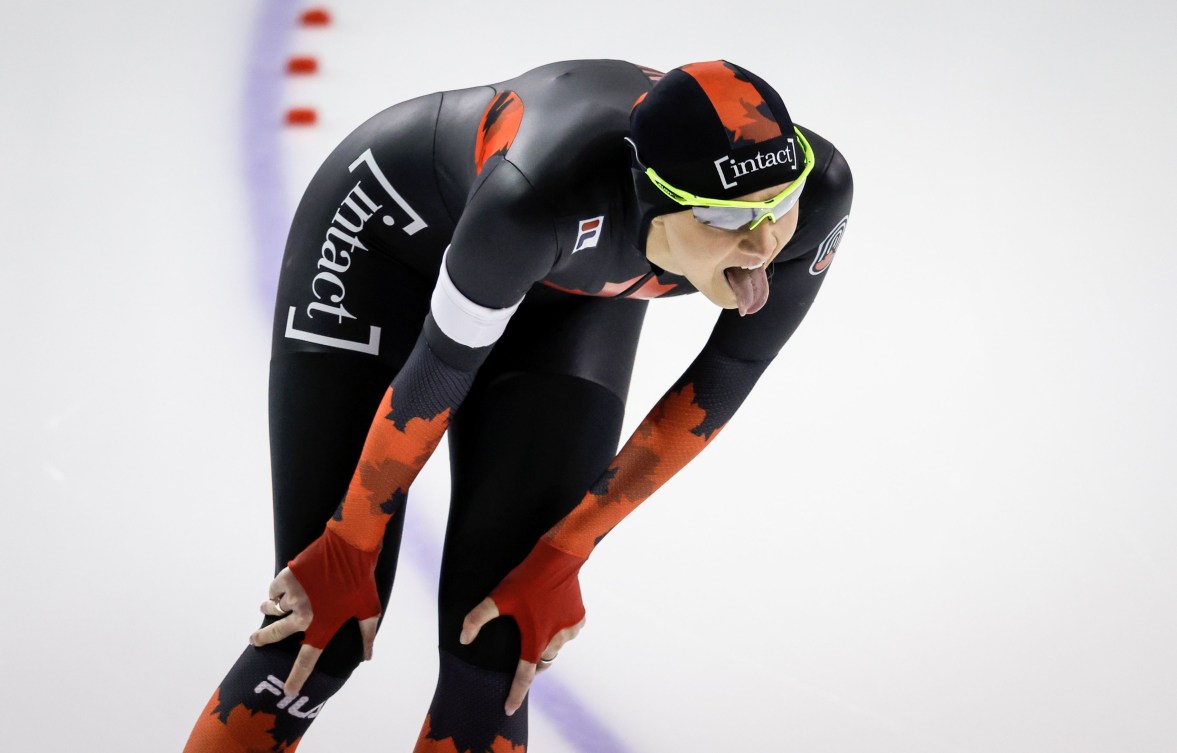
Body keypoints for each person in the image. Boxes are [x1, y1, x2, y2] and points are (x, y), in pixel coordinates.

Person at [182, 58, 853, 752]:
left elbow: (729, 371)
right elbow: (440, 369)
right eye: (726, 216)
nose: (766, 240)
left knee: (497, 639)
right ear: (651, 196)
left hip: (565, 292)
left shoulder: (816, 193)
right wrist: (350, 543)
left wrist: (563, 553)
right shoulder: (537, 197)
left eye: (780, 201)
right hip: (388, 248)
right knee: (317, 627)